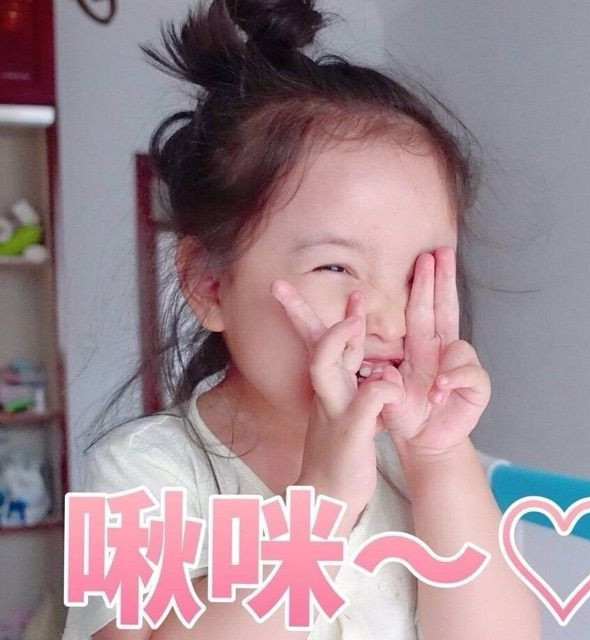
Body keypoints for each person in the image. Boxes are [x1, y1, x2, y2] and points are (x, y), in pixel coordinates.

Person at [62, 0, 541, 638]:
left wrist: (439, 457)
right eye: (336, 267)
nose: (388, 317)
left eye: (415, 274)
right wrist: (322, 507)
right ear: (209, 284)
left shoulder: (425, 466)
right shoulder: (141, 473)